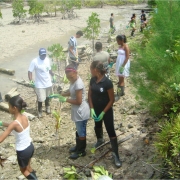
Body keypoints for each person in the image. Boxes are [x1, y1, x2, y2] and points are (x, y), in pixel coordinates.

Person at [49, 64, 90, 159]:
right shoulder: (73, 81)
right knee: (79, 130)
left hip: (81, 111)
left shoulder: (78, 84)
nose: (69, 79)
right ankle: (77, 147)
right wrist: (60, 94)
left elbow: (79, 101)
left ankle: (81, 151)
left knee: (81, 132)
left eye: (71, 76)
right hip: (77, 111)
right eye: (67, 77)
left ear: (75, 72)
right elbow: (71, 92)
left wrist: (65, 100)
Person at [88, 61, 122, 168]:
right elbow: (89, 95)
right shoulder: (92, 80)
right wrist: (92, 109)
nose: (90, 70)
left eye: (90, 68)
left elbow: (112, 100)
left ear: (95, 70)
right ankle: (100, 140)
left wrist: (103, 112)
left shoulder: (107, 83)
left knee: (111, 131)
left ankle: (116, 154)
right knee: (97, 125)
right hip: (96, 109)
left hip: (106, 111)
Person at [0, 95, 37, 180]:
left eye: (9, 106)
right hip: (30, 147)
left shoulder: (14, 123)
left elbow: (1, 139)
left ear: (14, 108)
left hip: (22, 151)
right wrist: (2, 123)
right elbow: (17, 128)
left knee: (24, 171)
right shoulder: (24, 117)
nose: (8, 108)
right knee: (28, 167)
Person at [28, 48, 55, 118]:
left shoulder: (47, 60)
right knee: (40, 98)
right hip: (39, 84)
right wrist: (31, 80)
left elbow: (49, 69)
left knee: (47, 96)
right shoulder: (35, 61)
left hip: (48, 82)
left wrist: (53, 75)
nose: (44, 56)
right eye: (42, 55)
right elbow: (30, 71)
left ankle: (47, 107)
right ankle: (39, 111)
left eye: (45, 54)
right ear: (39, 54)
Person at [115, 35, 130, 100]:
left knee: (121, 80)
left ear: (122, 40)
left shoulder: (126, 46)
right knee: (120, 79)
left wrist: (123, 66)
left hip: (123, 64)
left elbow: (127, 57)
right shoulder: (120, 46)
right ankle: (122, 92)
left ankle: (118, 94)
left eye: (118, 40)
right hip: (119, 63)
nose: (117, 42)